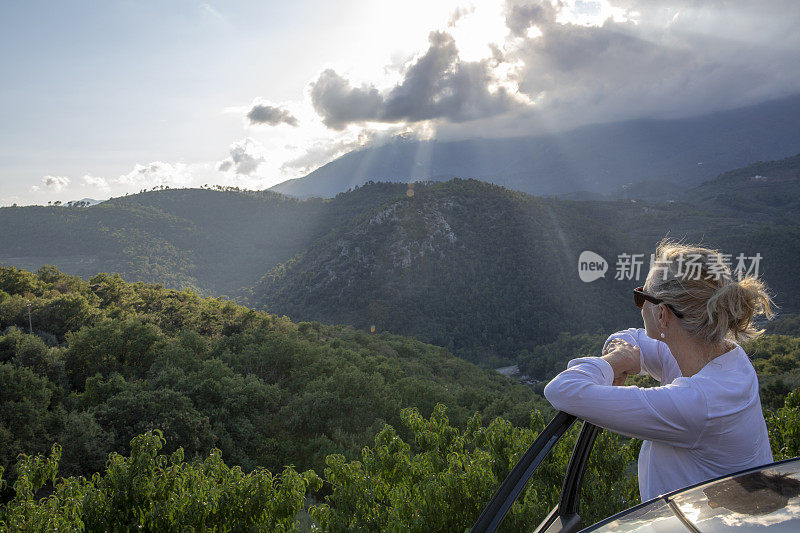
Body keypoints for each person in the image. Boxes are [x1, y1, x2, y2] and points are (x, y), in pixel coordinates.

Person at [544, 239, 776, 502]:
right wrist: (620, 351)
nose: (640, 306)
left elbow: (563, 390)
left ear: (663, 315)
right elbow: (628, 336)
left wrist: (615, 361)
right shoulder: (726, 356)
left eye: (642, 297)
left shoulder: (698, 403)